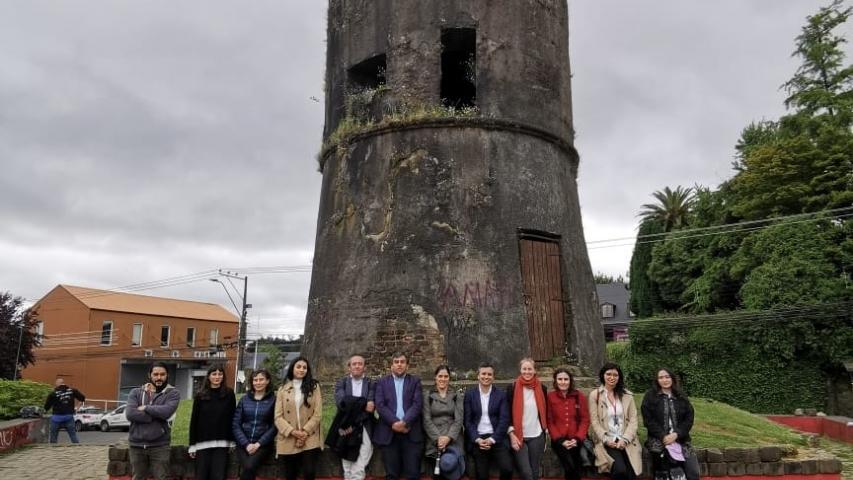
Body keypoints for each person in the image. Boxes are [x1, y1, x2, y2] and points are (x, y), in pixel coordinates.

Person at [641, 368, 699, 480]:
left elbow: (689, 418)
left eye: (667, 377)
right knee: (666, 469)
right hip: (658, 439)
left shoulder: (681, 396)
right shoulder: (650, 396)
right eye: (661, 377)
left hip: (681, 439)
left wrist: (677, 434)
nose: (664, 380)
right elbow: (648, 420)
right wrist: (663, 436)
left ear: (672, 378)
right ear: (657, 380)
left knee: (693, 473)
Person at [374, 352, 425, 480]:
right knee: (392, 475)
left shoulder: (415, 382)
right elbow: (380, 405)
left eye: (402, 362)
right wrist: (395, 423)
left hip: (411, 433)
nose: (399, 364)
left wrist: (404, 423)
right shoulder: (381, 382)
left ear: (407, 365)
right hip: (389, 434)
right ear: (391, 366)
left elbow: (417, 405)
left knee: (413, 474)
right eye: (396, 362)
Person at [126, 362, 181, 480]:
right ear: (149, 375)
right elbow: (130, 414)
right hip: (137, 445)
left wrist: (146, 408)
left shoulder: (173, 393)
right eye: (155, 374)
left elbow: (166, 412)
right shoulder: (136, 392)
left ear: (167, 375)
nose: (159, 377)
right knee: (137, 477)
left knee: (161, 477)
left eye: (162, 374)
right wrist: (154, 416)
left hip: (160, 446)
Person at [588, 363, 642, 480]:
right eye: (608, 374)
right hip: (608, 439)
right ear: (603, 375)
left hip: (626, 438)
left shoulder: (627, 395)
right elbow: (594, 421)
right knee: (619, 470)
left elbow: (633, 419)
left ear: (619, 377)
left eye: (615, 375)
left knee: (632, 471)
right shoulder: (595, 395)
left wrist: (625, 439)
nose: (612, 377)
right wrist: (606, 439)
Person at [275, 356, 323, 480]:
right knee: (290, 474)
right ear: (292, 368)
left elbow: (318, 413)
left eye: (304, 368)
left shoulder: (314, 387)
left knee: (309, 472)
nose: (302, 370)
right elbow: (278, 417)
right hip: (289, 436)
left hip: (310, 435)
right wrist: (294, 432)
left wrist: (304, 433)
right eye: (298, 367)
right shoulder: (282, 390)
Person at [463, 362, 513, 480]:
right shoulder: (470, 395)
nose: (486, 377)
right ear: (478, 376)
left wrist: (492, 439)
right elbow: (467, 421)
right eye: (483, 374)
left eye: (489, 374)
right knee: (481, 475)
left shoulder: (501, 395)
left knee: (507, 469)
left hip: (496, 438)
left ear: (493, 377)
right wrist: (478, 439)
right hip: (478, 438)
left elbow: (504, 420)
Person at [329, 354, 376, 480]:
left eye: (360, 364)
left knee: (366, 448)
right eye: (354, 364)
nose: (357, 366)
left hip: (364, 422)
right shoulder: (341, 383)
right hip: (346, 423)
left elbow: (371, 406)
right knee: (346, 448)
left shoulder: (371, 383)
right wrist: (362, 403)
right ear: (349, 367)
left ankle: (357, 475)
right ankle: (349, 475)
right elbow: (341, 403)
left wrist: (352, 403)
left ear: (364, 367)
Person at [188, 365, 237, 480]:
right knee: (201, 476)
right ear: (208, 376)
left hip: (222, 443)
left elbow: (232, 417)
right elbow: (194, 420)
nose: (217, 377)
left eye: (220, 374)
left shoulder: (229, 394)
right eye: (214, 374)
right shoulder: (200, 395)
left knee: (218, 476)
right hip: (202, 443)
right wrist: (192, 445)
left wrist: (232, 440)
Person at [506, 358, 548, 480]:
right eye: (524, 369)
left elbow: (545, 412)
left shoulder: (542, 388)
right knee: (526, 473)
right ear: (520, 370)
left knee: (535, 473)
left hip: (537, 435)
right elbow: (507, 413)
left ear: (535, 370)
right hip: (519, 437)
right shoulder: (512, 388)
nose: (527, 372)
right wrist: (511, 434)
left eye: (530, 369)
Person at [232, 369, 278, 480]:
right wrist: (246, 443)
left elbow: (275, 425)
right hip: (243, 444)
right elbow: (236, 424)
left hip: (263, 445)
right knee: (249, 468)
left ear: (267, 381)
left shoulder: (274, 400)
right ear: (252, 382)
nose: (258, 382)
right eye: (255, 380)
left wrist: (258, 444)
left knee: (249, 466)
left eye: (261, 379)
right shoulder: (244, 400)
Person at [546, 367, 590, 480]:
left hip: (576, 438)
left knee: (575, 465)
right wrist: (561, 440)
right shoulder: (550, 397)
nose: (563, 382)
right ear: (555, 381)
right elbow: (550, 421)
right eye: (560, 379)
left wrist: (577, 438)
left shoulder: (578, 396)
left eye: (566, 379)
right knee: (570, 466)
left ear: (570, 381)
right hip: (559, 440)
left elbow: (585, 419)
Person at [423, 365, 464, 480]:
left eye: (446, 376)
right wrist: (438, 439)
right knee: (437, 475)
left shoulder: (456, 396)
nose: (443, 379)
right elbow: (426, 419)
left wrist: (448, 438)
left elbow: (459, 419)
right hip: (434, 441)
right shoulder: (427, 396)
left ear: (449, 378)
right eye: (440, 376)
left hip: (453, 439)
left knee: (452, 471)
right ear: (435, 378)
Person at [44, 377, 85, 444]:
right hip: (68, 417)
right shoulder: (72, 390)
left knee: (53, 436)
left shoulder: (53, 393)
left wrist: (45, 411)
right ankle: (77, 449)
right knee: (73, 436)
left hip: (56, 418)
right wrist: (77, 408)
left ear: (58, 384)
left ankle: (53, 450)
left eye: (55, 384)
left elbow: (47, 406)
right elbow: (82, 398)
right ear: (63, 383)